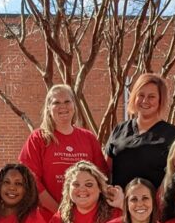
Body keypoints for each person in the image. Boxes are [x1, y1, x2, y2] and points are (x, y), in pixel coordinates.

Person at [18, 84, 109, 214]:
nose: (63, 106)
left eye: (67, 101)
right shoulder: (38, 139)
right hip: (49, 217)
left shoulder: (88, 138)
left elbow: (101, 177)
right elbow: (31, 180)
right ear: (49, 108)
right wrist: (59, 212)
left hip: (86, 218)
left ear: (74, 106)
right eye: (56, 102)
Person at [105, 72, 175, 191]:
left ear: (160, 100)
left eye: (151, 96)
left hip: (154, 207)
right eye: (141, 95)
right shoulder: (119, 129)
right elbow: (106, 170)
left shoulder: (173, 136)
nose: (145, 100)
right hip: (119, 205)